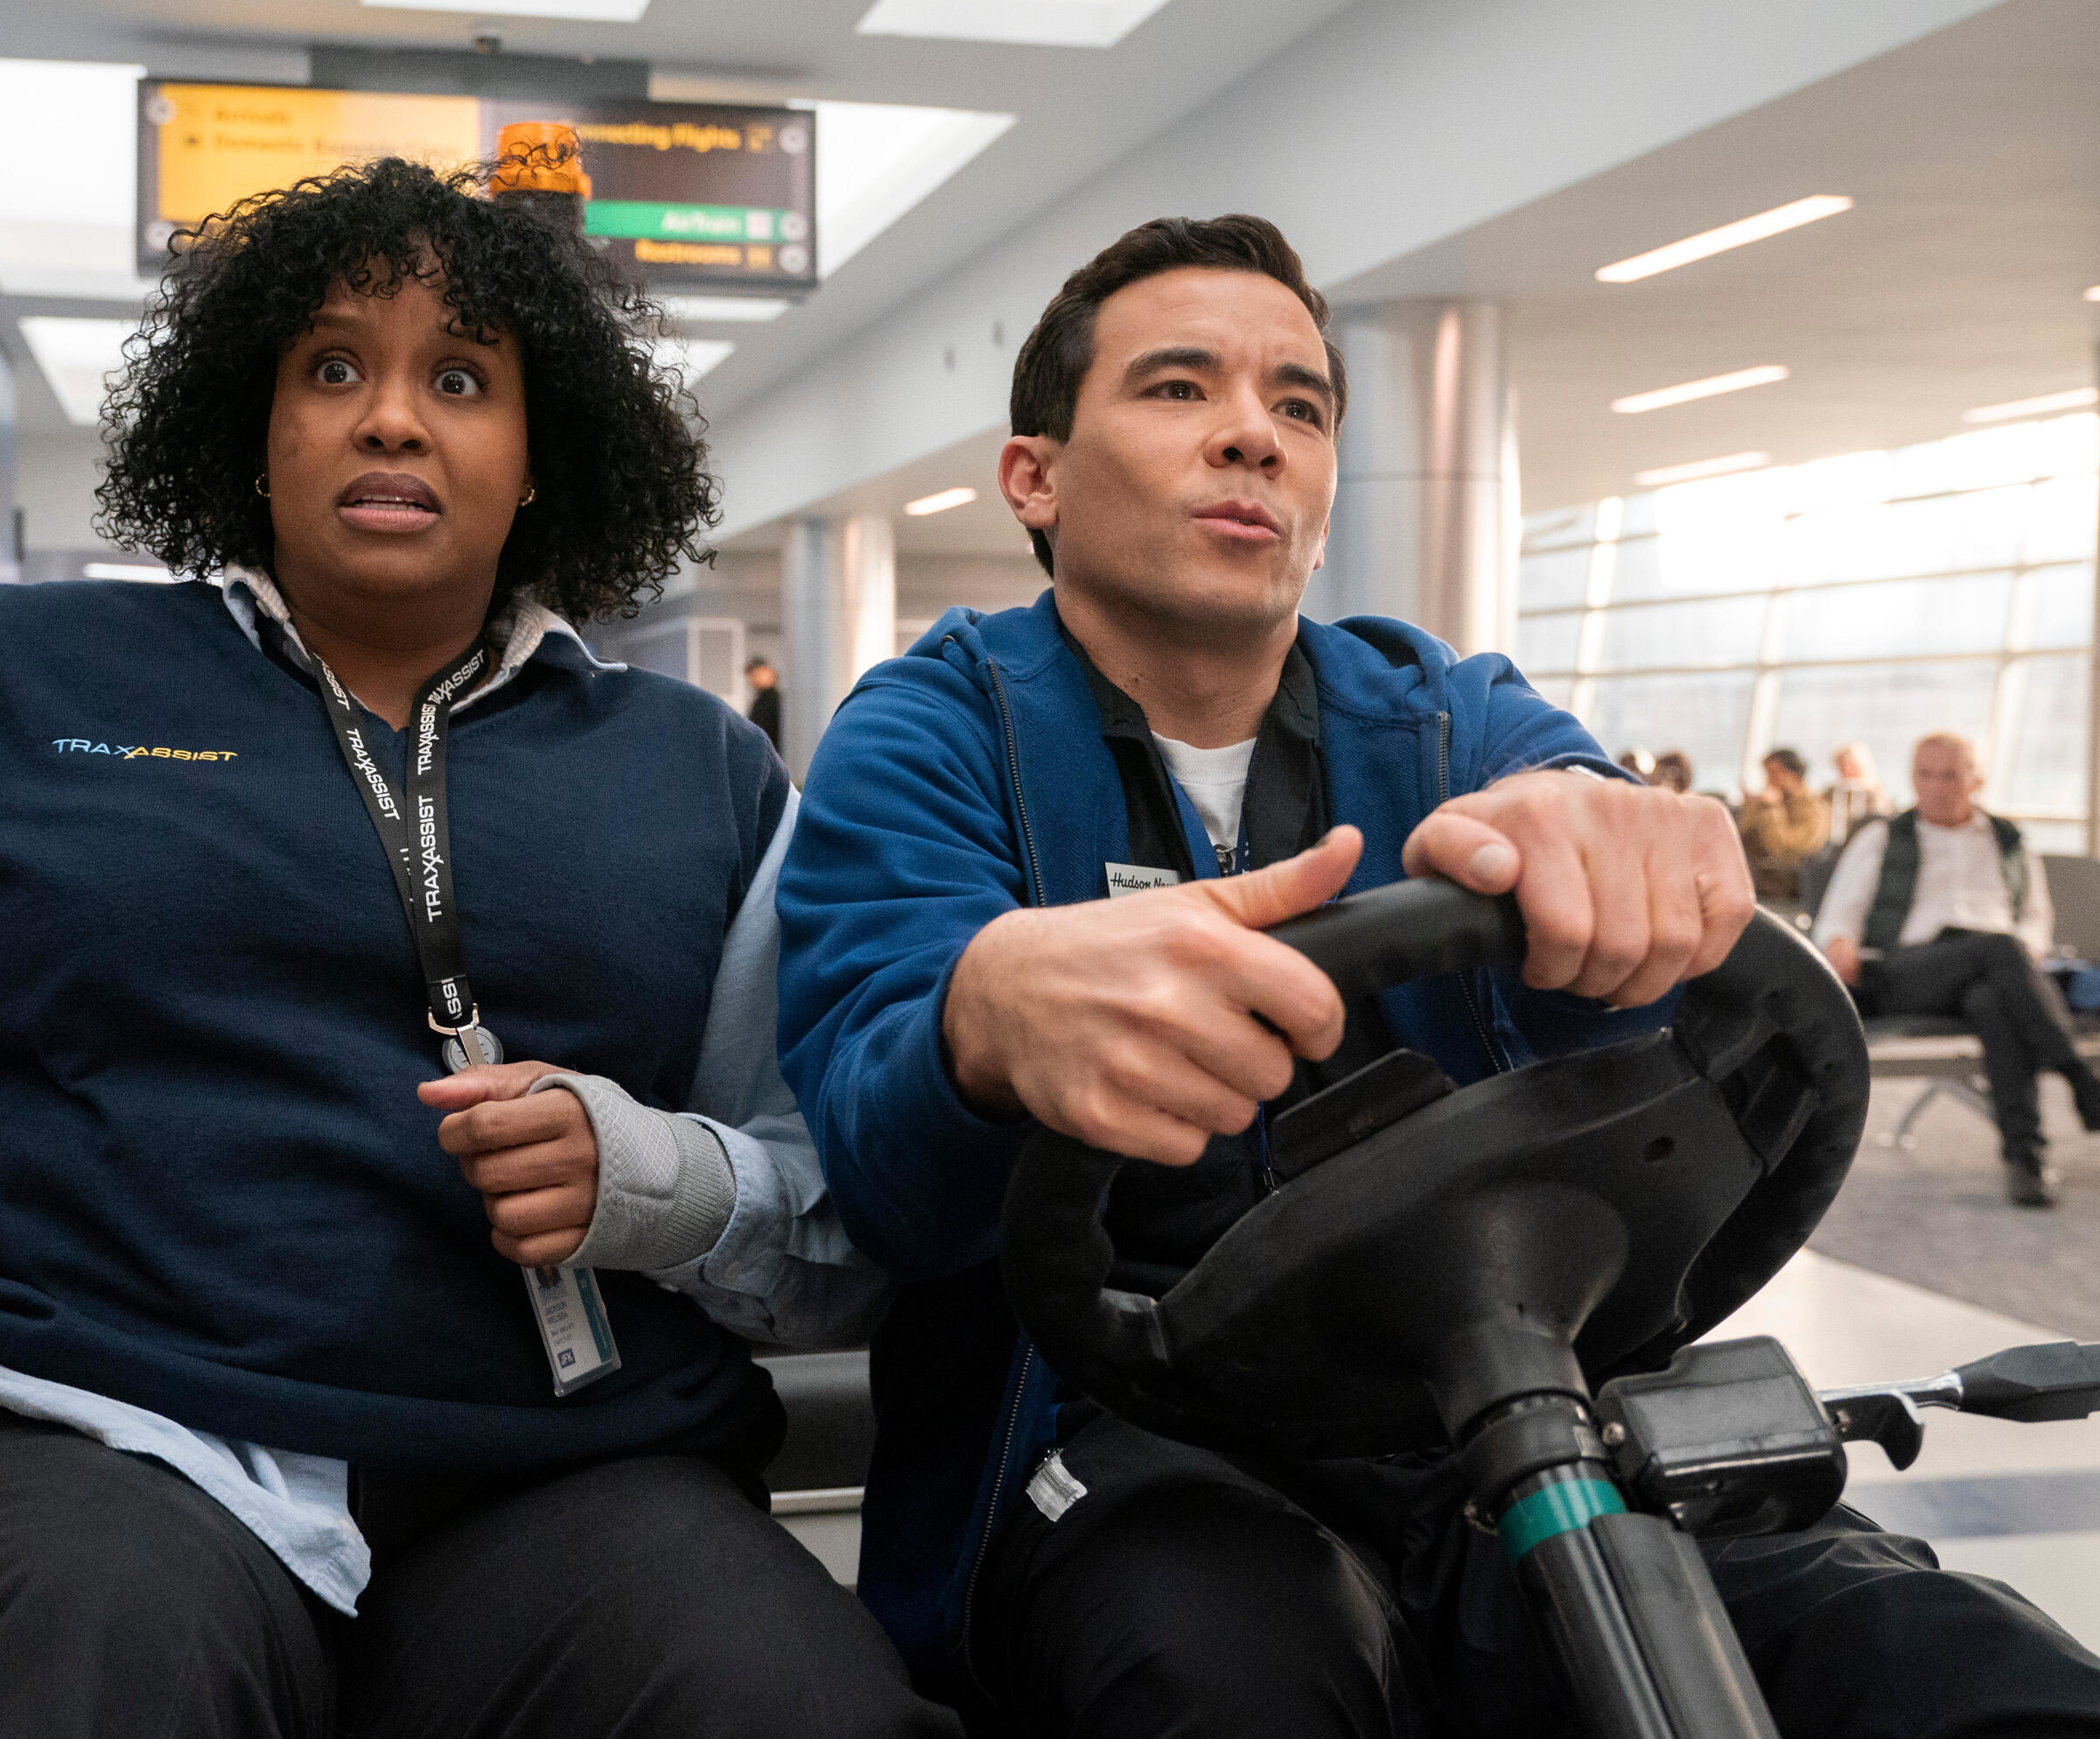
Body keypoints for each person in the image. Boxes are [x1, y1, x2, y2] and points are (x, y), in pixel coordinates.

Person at [0, 159, 951, 1739]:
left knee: (793, 1703)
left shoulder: (701, 772)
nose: (393, 420)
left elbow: (822, 1191)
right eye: (332, 369)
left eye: (461, 379)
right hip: (57, 1437)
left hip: (549, 1477)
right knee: (102, 1671)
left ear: (541, 457)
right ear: (255, 428)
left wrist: (666, 1183)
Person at [775, 213, 2100, 1735]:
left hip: (1509, 1397)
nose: (1254, 437)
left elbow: (1575, 799)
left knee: (1929, 1650)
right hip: (1125, 1436)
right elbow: (881, 1158)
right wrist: (976, 1027)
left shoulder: (1447, 715)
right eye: (1178, 388)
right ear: (1035, 477)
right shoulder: (933, 734)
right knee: (1225, 1673)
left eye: (1298, 405)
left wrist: (1614, 838)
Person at [1816, 732, 2099, 1207]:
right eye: (1924, 775)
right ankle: (2077, 1075)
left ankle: (2025, 1159)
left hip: (1994, 972)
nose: (1935, 787)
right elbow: (1838, 916)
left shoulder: (2008, 842)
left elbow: (2035, 921)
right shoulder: (1882, 837)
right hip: (1906, 969)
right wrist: (1839, 943)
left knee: (1992, 998)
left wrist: (2022, 955)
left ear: (1977, 781)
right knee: (2000, 950)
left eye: (1949, 776)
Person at [1737, 745, 1828, 902]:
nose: (1769, 780)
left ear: (1794, 775)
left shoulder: (1814, 808)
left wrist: (1773, 810)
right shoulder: (1771, 801)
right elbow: (1741, 837)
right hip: (1757, 876)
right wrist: (1752, 806)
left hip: (1786, 882)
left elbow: (1786, 849)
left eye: (1774, 773)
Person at [1828, 740, 1894, 847]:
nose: (1845, 769)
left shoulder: (1874, 793)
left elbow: (1880, 821)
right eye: (1841, 765)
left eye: (1849, 764)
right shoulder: (1831, 793)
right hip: (1835, 845)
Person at [745, 655, 784, 756]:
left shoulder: (773, 700)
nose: (752, 680)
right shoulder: (762, 700)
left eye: (756, 674)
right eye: (751, 676)